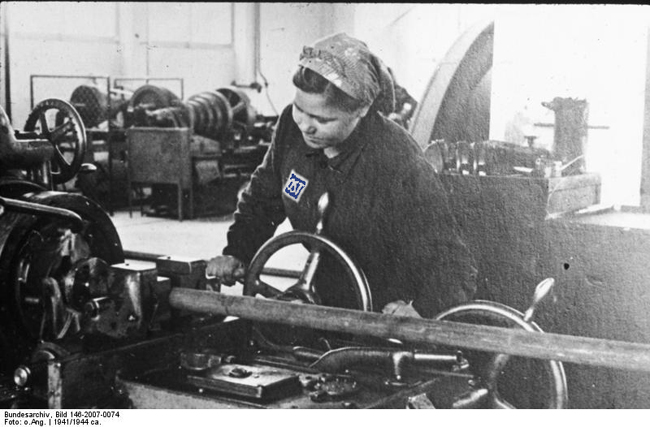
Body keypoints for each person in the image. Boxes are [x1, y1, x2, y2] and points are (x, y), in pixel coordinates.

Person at [207, 33, 477, 318]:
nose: (306, 127)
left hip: (383, 308)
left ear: (360, 110)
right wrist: (238, 251)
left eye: (323, 120)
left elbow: (452, 260)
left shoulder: (396, 158)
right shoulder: (291, 126)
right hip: (321, 290)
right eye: (301, 110)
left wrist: (423, 309)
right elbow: (262, 199)